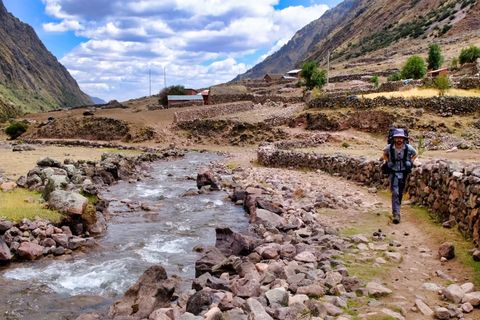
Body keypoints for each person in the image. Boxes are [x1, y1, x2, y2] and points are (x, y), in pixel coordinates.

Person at [382, 128, 417, 224]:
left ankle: (397, 208)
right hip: (393, 173)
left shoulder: (408, 148)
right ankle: (396, 214)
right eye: (397, 138)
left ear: (404, 139)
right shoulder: (389, 147)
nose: (399, 140)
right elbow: (384, 153)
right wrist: (387, 161)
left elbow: (415, 154)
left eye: (401, 138)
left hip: (404, 172)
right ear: (394, 138)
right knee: (395, 192)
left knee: (400, 192)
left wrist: (411, 161)